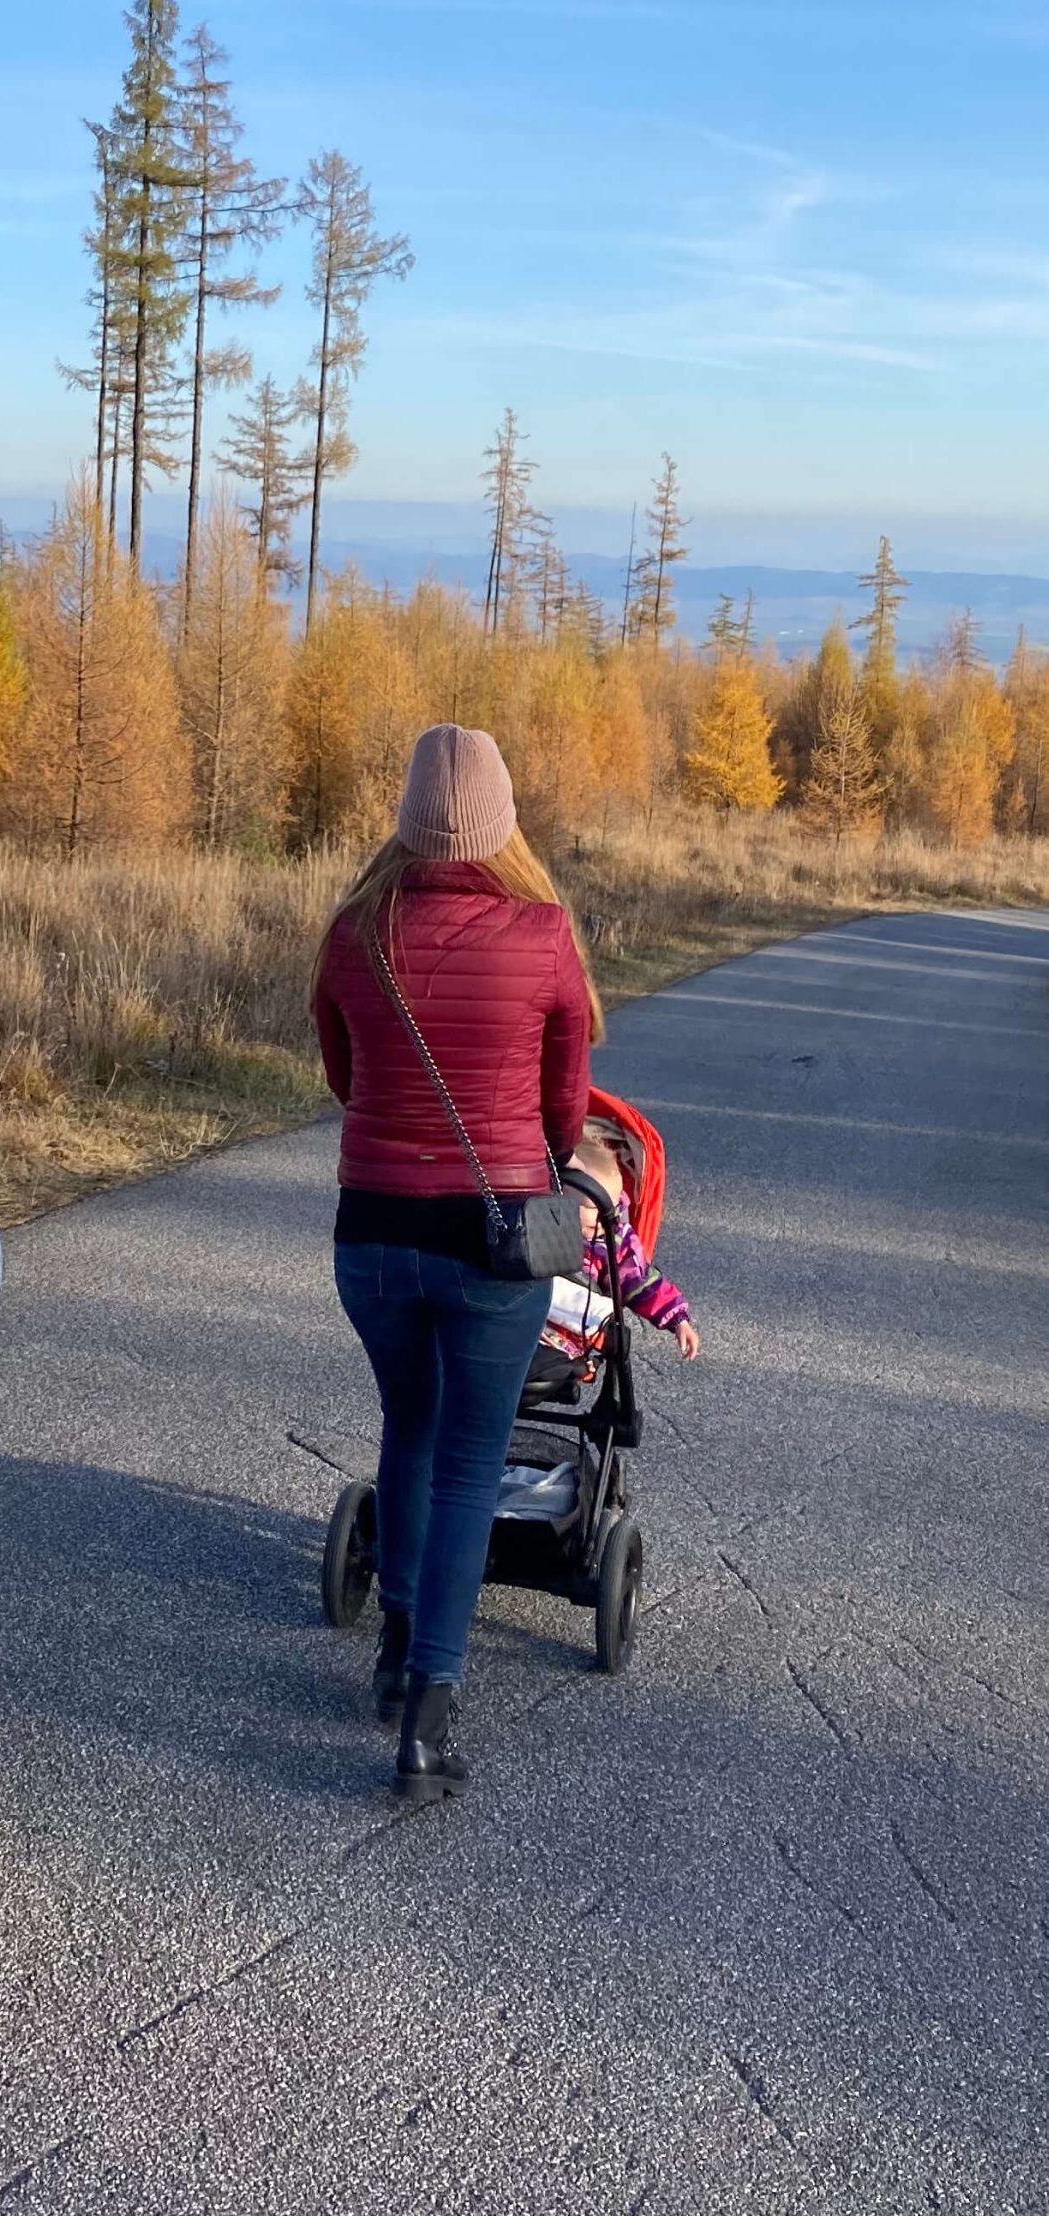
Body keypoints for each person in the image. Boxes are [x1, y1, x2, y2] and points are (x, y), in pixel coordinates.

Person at [313, 723, 602, 1802]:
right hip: (491, 1241)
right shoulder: (539, 932)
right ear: (499, 818)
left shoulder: (355, 932)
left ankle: (391, 1649)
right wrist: (532, 1157)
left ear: (403, 816)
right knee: (470, 1461)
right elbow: (563, 1105)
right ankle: (426, 1714)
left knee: (407, 1427)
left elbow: (344, 1078)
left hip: (373, 1235)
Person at [534, 1134, 700, 1377]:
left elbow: (640, 1280)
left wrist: (678, 1320)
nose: (606, 1216)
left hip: (573, 1323)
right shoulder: (536, 1224)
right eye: (594, 1208)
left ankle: (566, 1361)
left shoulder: (613, 1240)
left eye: (611, 1207)